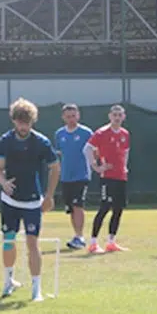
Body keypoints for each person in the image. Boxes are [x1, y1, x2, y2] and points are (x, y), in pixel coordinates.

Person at [0, 98, 60, 301]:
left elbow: (55, 168)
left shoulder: (41, 142)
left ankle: (36, 288)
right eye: (20, 122)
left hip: (32, 201)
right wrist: (3, 183)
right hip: (10, 201)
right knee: (8, 240)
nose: (23, 126)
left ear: (32, 121)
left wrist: (49, 196)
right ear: (14, 120)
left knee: (32, 243)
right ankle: (8, 281)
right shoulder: (5, 141)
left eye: (27, 122)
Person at [85, 105, 131, 253]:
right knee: (104, 208)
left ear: (123, 117)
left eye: (120, 115)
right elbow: (87, 148)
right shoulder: (101, 133)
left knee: (118, 209)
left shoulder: (125, 134)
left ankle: (111, 242)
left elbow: (126, 151)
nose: (117, 118)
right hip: (108, 177)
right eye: (114, 115)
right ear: (110, 116)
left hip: (121, 176)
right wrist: (96, 167)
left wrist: (124, 167)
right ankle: (93, 243)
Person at [54, 104, 93, 250]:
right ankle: (76, 235)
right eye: (68, 116)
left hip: (81, 175)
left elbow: (94, 151)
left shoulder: (86, 133)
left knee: (78, 205)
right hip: (66, 176)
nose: (71, 119)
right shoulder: (59, 134)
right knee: (71, 207)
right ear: (63, 117)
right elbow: (58, 153)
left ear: (78, 115)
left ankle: (80, 236)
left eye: (74, 116)